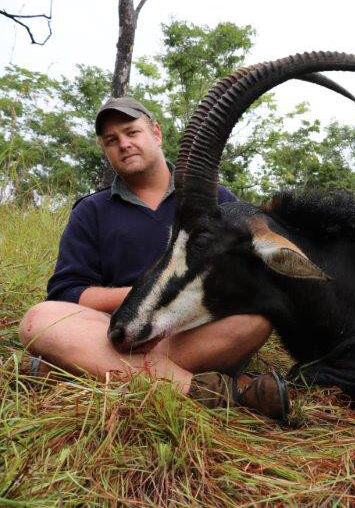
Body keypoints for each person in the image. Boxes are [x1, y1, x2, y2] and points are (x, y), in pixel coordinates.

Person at [16, 97, 289, 420]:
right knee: (40, 319)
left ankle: (85, 367)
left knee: (258, 320)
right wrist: (147, 295)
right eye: (111, 141)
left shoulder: (218, 200)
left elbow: (248, 278)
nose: (124, 144)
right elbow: (67, 292)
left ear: (156, 134)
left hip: (190, 332)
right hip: (118, 332)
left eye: (132, 132)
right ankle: (225, 392)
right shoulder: (91, 211)